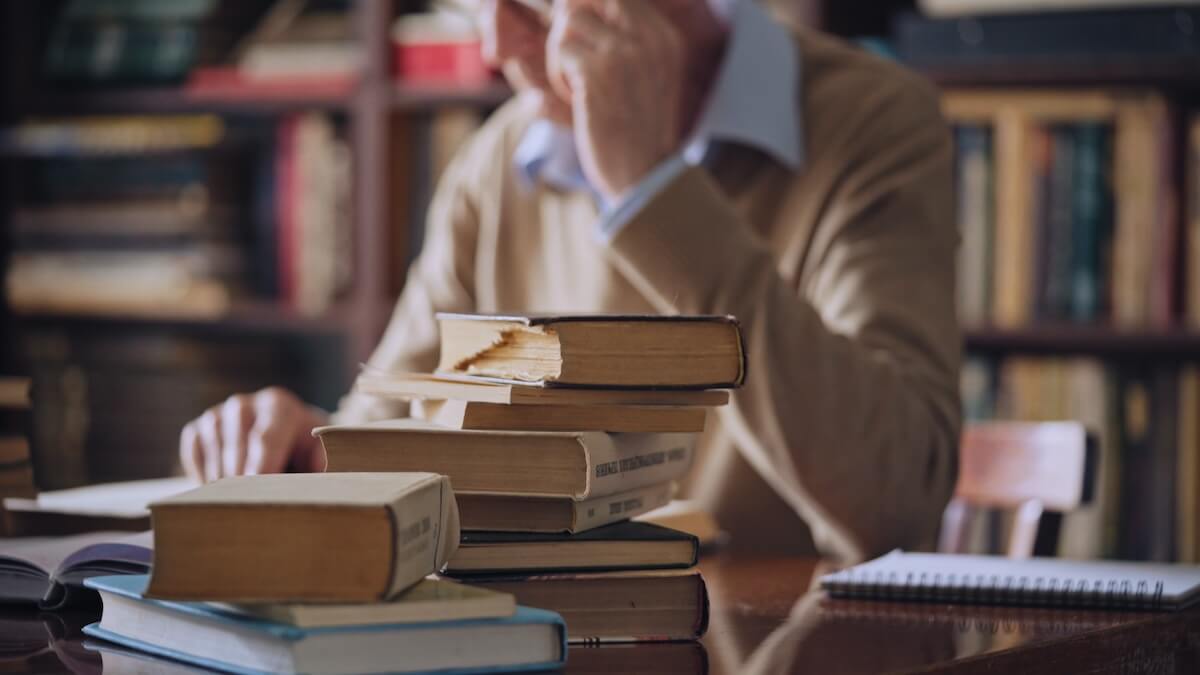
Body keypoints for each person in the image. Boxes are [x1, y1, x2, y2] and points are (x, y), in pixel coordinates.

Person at [180, 0, 961, 563]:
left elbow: (891, 502)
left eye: (528, 4)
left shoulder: (872, 122)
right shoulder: (499, 160)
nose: (492, 43)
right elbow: (387, 432)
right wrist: (297, 445)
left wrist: (650, 188)